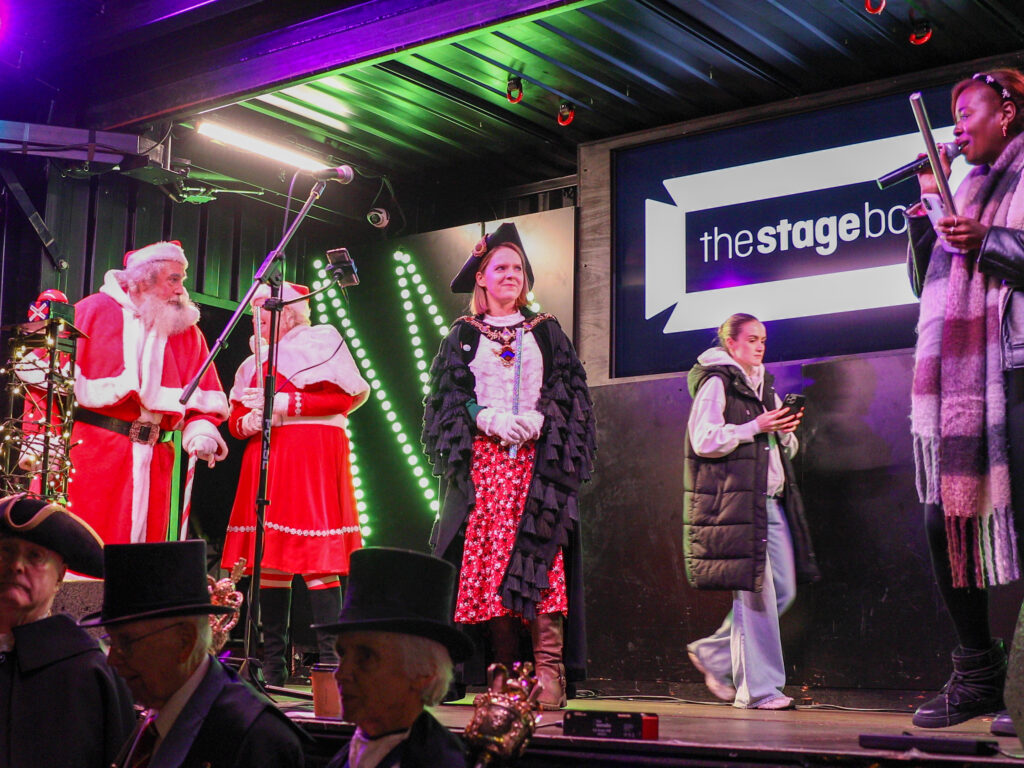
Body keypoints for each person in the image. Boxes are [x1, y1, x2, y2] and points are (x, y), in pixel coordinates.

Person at [422, 222, 596, 709]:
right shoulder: (462, 335)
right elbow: (448, 396)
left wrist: (542, 420)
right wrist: (486, 417)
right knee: (491, 567)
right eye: (500, 267)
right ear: (481, 277)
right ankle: (505, 674)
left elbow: (571, 391)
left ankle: (549, 671)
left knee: (543, 561)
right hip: (486, 468)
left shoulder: (546, 331)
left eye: (518, 268)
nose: (511, 275)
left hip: (537, 472)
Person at [905, 68, 1024, 731]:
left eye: (966, 113)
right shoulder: (965, 188)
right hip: (966, 386)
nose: (957, 128)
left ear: (1006, 111)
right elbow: (927, 282)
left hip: (1018, 368)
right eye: (950, 118)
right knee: (941, 520)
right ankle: (978, 674)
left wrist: (991, 242)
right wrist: (929, 210)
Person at [221, 282, 369, 685]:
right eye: (253, 309)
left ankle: (330, 665)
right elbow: (236, 418)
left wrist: (285, 404)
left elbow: (343, 400)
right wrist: (247, 423)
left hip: (310, 453)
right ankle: (273, 666)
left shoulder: (320, 342)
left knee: (315, 555)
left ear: (287, 312)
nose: (256, 316)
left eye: (264, 308)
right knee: (270, 557)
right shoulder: (253, 362)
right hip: (267, 454)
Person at [683, 313, 819, 710]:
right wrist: (754, 427)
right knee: (757, 595)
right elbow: (703, 439)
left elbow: (780, 446)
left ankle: (714, 654)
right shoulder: (717, 381)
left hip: (770, 501)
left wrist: (785, 432)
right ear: (731, 344)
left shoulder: (763, 384)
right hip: (739, 502)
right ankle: (760, 691)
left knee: (783, 589)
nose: (760, 346)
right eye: (752, 339)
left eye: (763, 340)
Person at [82, 540, 306, 768]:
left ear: (184, 642)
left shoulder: (257, 738)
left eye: (126, 643)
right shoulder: (154, 718)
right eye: (110, 642)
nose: (113, 660)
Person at [68, 240, 229, 545]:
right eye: (173, 279)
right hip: (94, 454)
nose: (181, 290)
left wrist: (201, 428)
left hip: (157, 460)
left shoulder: (186, 331)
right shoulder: (92, 311)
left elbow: (205, 394)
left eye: (182, 280)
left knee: (145, 553)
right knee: (88, 544)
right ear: (144, 280)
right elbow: (46, 382)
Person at [0, 493, 136, 768]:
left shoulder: (92, 672)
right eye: (6, 551)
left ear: (60, 575)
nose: (16, 566)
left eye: (35, 556)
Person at [315, 547, 474, 768]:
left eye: (366, 657)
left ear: (424, 674)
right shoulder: (354, 751)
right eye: (342, 655)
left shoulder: (440, 761)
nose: (341, 674)